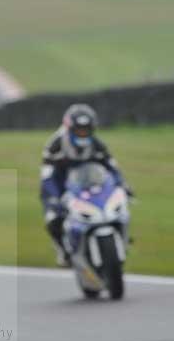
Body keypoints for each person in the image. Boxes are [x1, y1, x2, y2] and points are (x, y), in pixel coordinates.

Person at [40, 103, 131, 266]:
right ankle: (63, 250)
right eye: (79, 130)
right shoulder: (55, 146)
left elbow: (112, 167)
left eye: (86, 130)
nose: (83, 134)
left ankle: (122, 243)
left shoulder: (97, 144)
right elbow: (47, 177)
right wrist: (54, 198)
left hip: (88, 183)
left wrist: (122, 185)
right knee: (52, 219)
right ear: (70, 128)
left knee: (119, 209)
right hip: (60, 187)